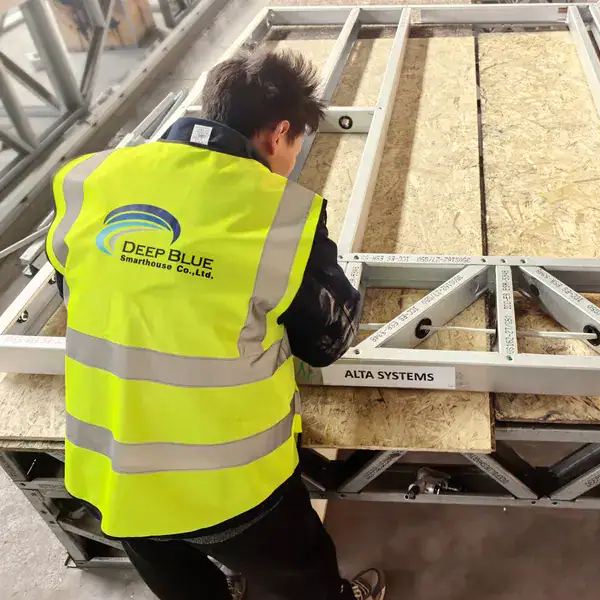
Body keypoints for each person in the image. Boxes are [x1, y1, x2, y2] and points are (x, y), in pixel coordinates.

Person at [45, 47, 385, 600]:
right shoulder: (280, 214)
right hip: (228, 487)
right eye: (297, 143)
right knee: (304, 582)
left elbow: (72, 288)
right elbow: (328, 342)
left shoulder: (90, 177)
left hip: (111, 474)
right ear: (279, 133)